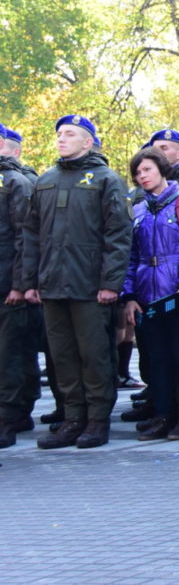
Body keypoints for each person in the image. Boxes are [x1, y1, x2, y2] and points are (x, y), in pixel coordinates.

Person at [21, 115, 133, 450]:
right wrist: (30, 280)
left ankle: (97, 421)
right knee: (63, 356)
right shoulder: (46, 179)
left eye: (69, 134)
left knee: (94, 355)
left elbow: (118, 235)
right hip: (52, 284)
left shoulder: (106, 179)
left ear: (87, 142)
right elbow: (31, 234)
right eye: (59, 133)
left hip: (90, 286)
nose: (61, 138)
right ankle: (72, 419)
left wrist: (111, 283)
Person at [121, 147, 179, 441]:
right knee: (156, 358)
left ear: (161, 169)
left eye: (147, 169)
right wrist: (129, 296)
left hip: (177, 293)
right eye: (137, 173)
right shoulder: (139, 209)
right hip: (147, 294)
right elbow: (131, 255)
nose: (142, 176)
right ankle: (162, 415)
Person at [0, 123, 37, 448]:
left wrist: (19, 284)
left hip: (8, 285)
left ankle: (9, 417)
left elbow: (25, 236)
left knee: (9, 353)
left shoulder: (15, 182)